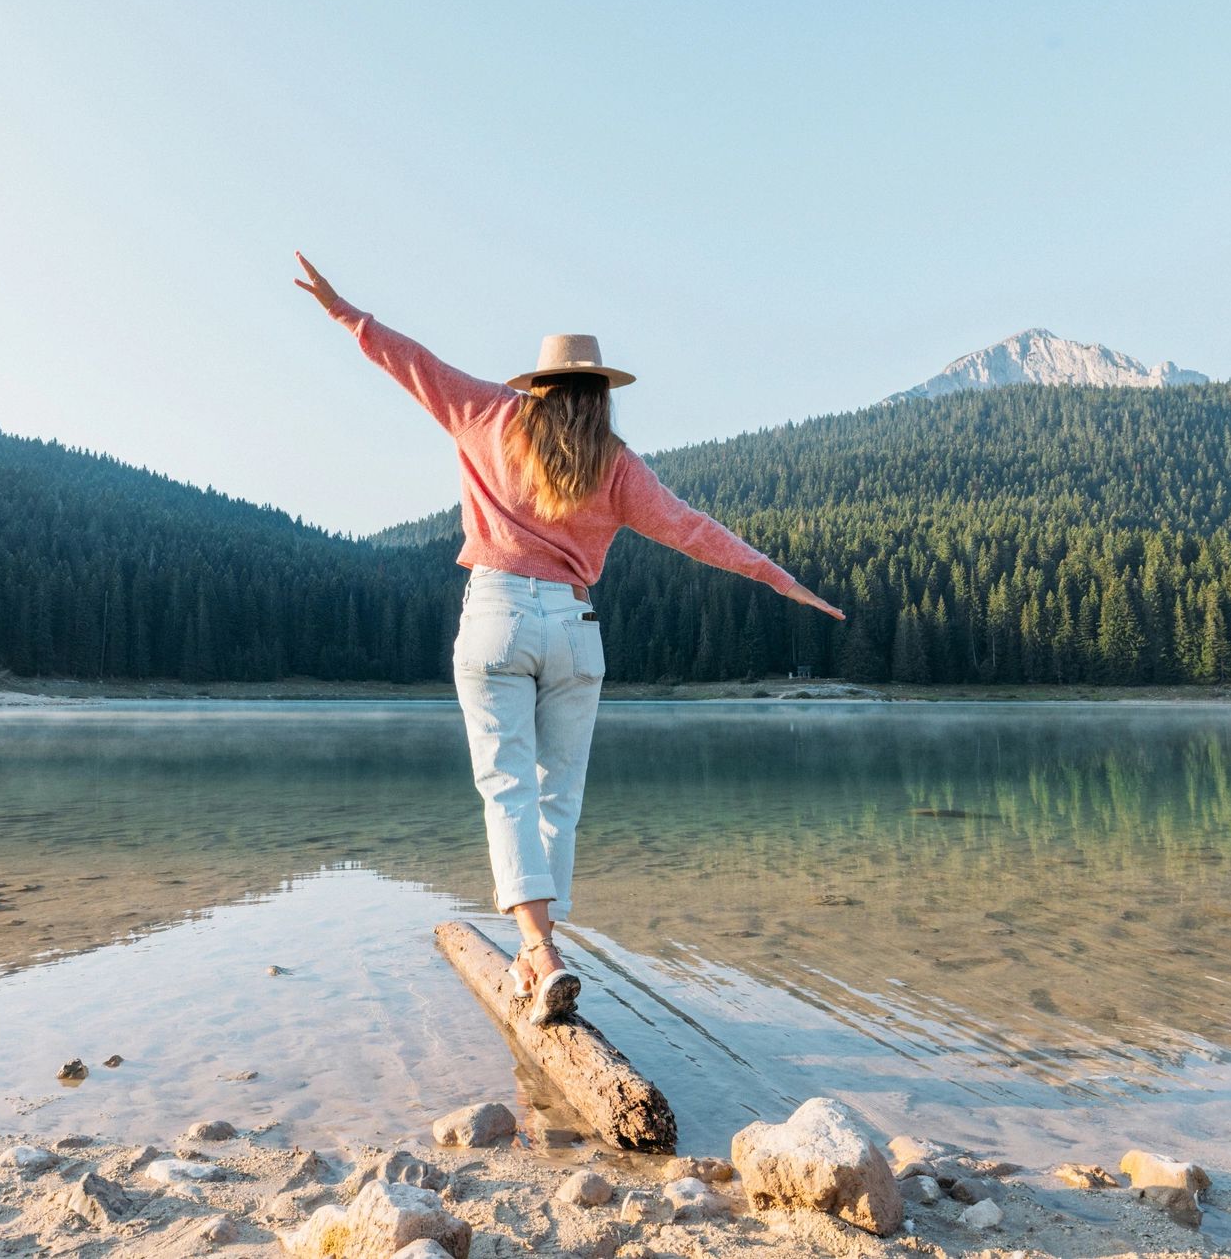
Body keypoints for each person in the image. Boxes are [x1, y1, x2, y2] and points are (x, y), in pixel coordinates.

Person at [295, 251, 845, 1025]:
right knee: (561, 800)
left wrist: (343, 312)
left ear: (540, 385)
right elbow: (692, 530)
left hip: (495, 618)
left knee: (508, 789)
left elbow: (411, 364)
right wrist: (777, 577)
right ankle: (538, 952)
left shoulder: (489, 415)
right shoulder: (616, 464)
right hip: (576, 629)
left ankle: (539, 951)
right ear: (600, 393)